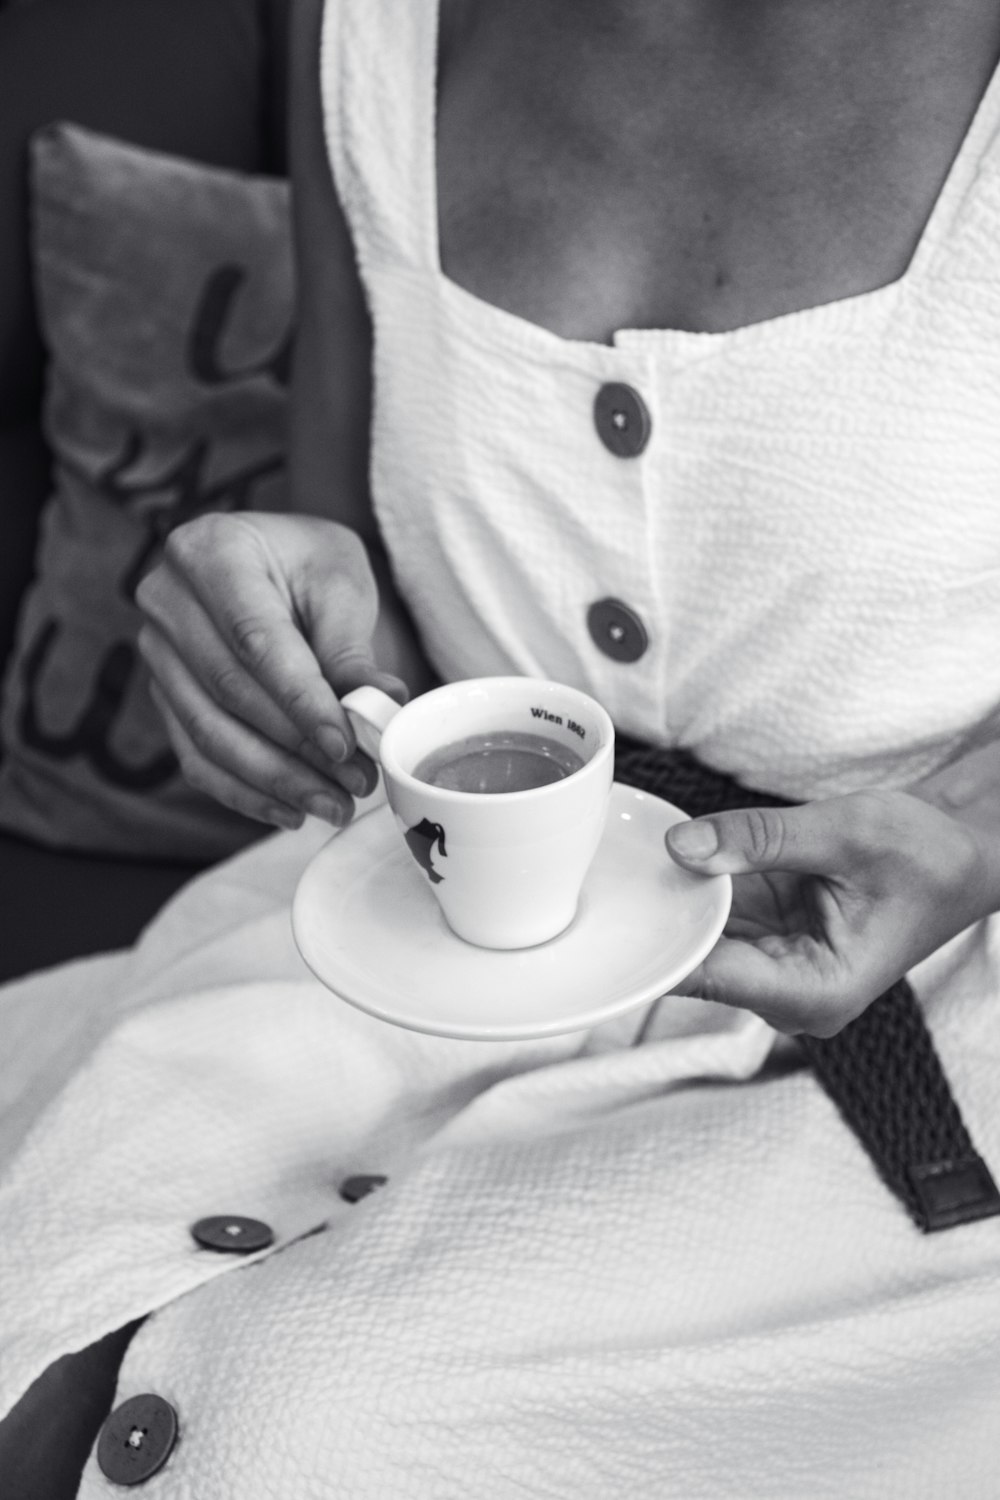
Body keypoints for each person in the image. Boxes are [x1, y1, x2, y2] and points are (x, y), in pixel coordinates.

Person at [4, 0, 1000, 1493]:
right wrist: (271, 612)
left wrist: (979, 835)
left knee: (288, 1440)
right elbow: (377, 601)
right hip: (400, 942)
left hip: (933, 1014)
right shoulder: (366, 25)